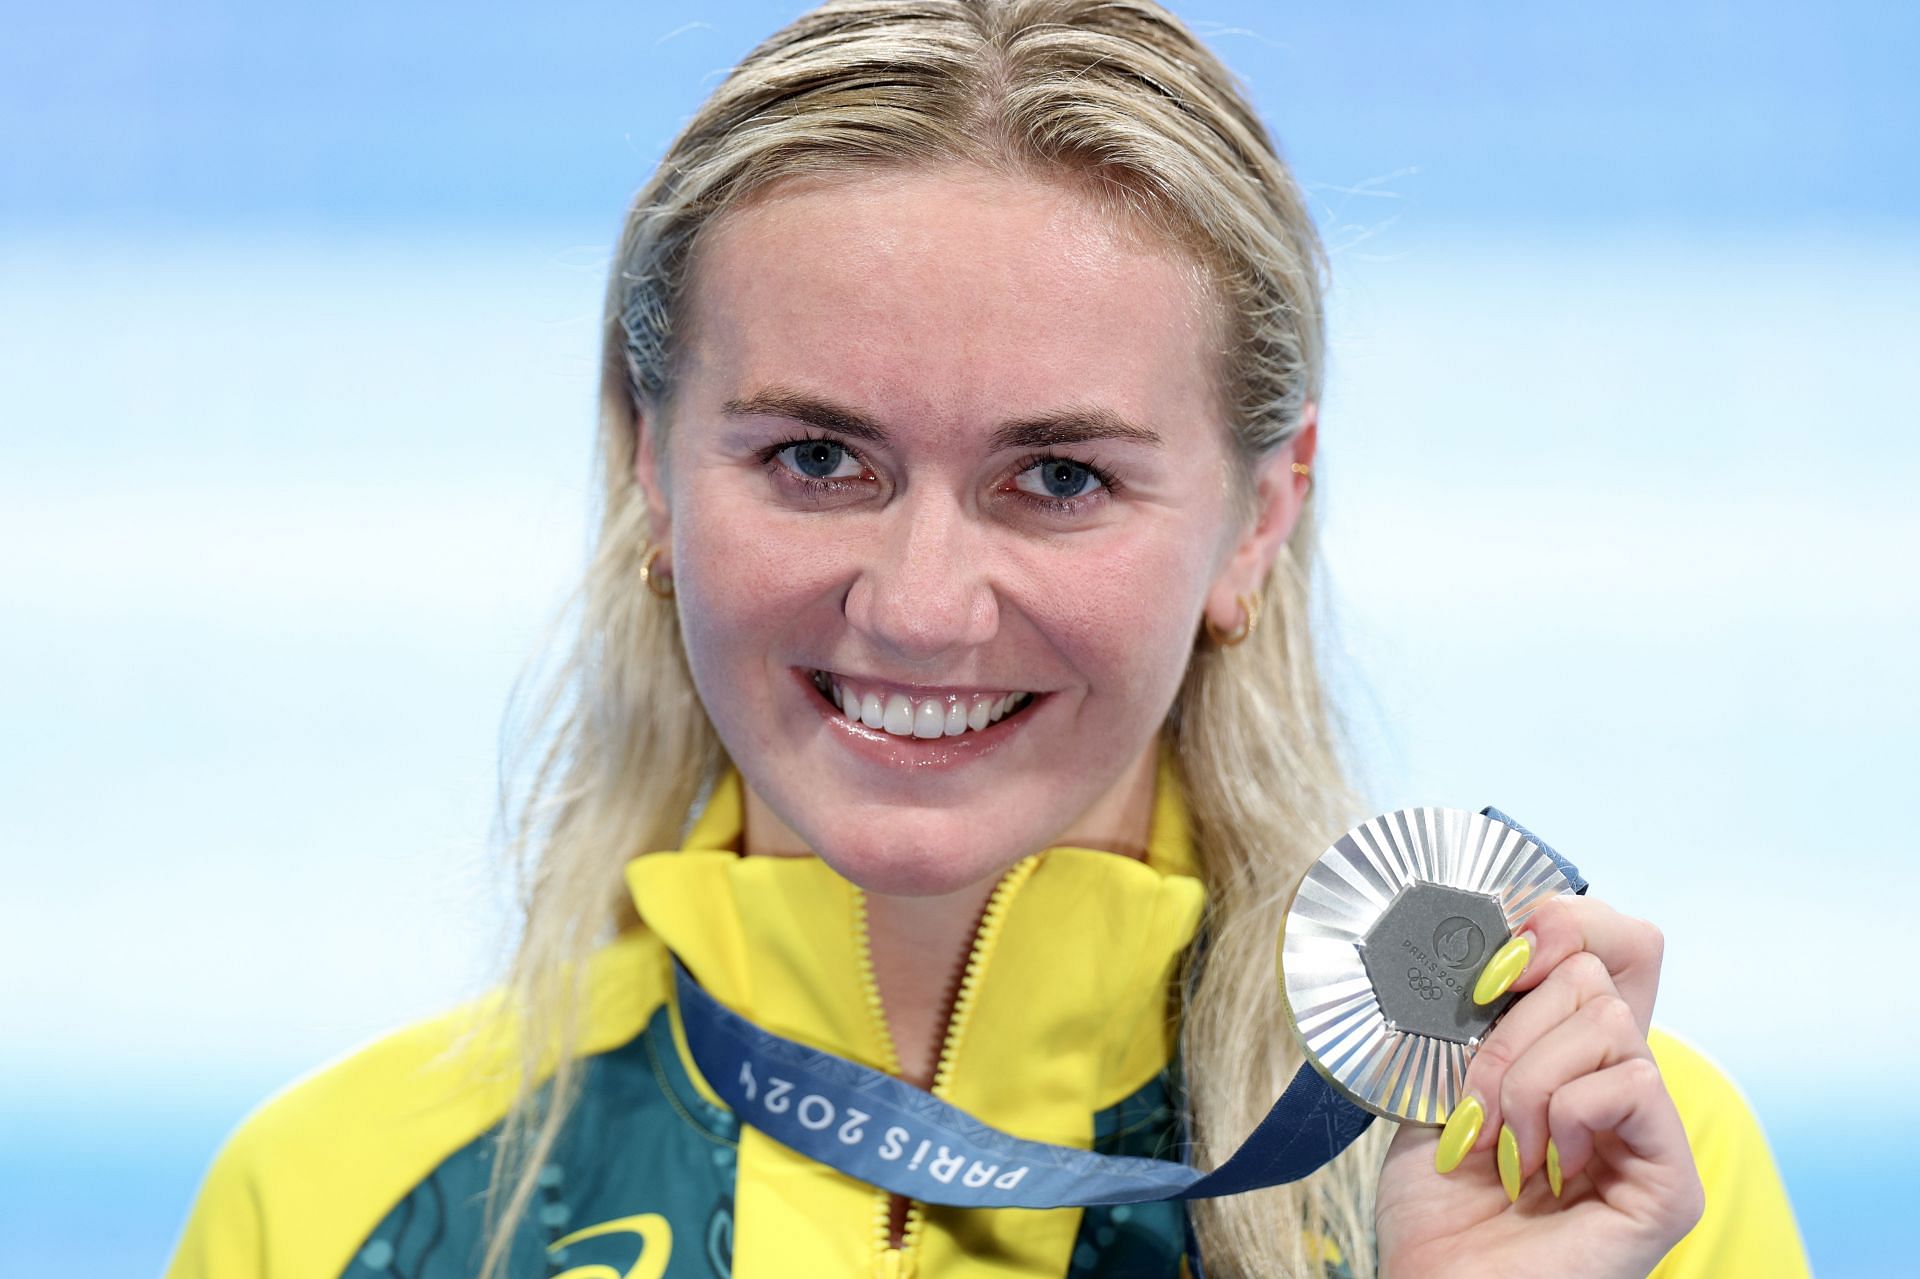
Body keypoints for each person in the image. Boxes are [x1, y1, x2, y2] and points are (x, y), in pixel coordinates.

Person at [166, 2, 1811, 1276]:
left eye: (1058, 477)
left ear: (1259, 514)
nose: (924, 604)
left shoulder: (1579, 1170)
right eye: (818, 459)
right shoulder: (343, 1204)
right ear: (648, 466)